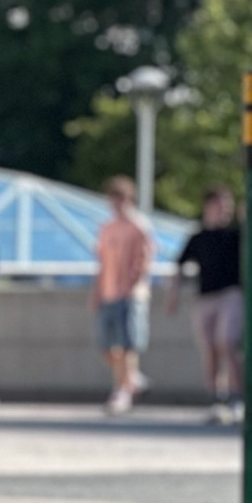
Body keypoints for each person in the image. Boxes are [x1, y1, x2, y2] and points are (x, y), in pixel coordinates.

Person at [175, 188, 243, 422]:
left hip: (231, 294)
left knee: (227, 342)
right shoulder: (198, 237)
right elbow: (180, 265)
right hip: (205, 297)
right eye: (219, 205)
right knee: (210, 350)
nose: (224, 210)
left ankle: (237, 396)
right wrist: (173, 295)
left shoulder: (237, 235)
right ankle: (216, 397)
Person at [93, 176, 153, 415]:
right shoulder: (106, 228)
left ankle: (122, 390)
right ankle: (132, 379)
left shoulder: (139, 227)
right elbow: (102, 261)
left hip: (130, 294)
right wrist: (97, 290)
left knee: (127, 344)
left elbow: (144, 261)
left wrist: (132, 286)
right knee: (106, 344)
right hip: (108, 291)